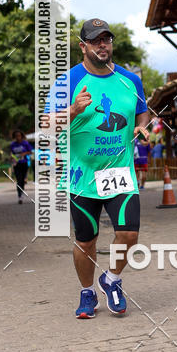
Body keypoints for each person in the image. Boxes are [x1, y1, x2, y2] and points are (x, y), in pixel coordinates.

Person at [45, 18, 149, 319]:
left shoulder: (131, 80)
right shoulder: (68, 82)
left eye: (106, 39)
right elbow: (46, 125)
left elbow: (142, 114)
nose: (102, 45)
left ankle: (112, 279)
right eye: (95, 40)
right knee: (86, 240)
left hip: (119, 173)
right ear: (83, 46)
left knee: (129, 235)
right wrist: (74, 110)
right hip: (82, 177)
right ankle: (87, 291)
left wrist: (142, 128)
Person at [10, 130, 33, 203]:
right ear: (14, 136)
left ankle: (22, 192)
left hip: (24, 163)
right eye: (16, 136)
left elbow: (30, 152)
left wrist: (24, 153)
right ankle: (20, 196)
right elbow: (12, 153)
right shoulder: (13, 144)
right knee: (18, 180)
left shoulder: (25, 143)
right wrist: (12, 158)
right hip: (16, 164)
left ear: (21, 136)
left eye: (19, 136)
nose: (18, 137)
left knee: (22, 180)